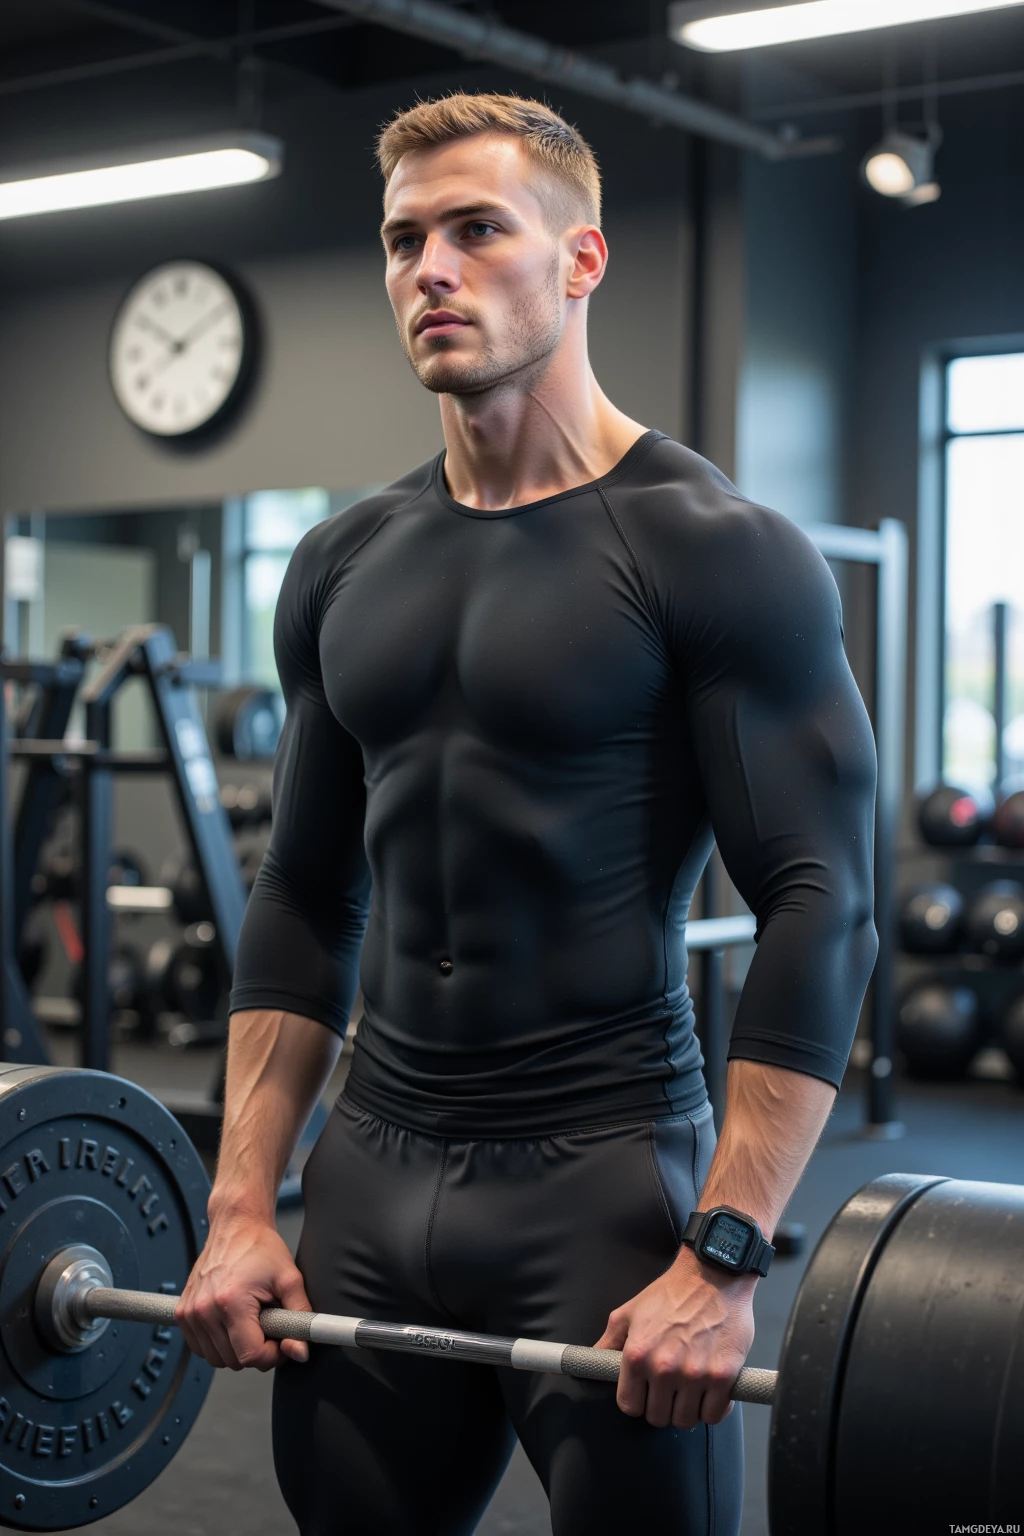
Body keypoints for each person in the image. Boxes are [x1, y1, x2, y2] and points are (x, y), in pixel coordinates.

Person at [177, 93, 878, 1536]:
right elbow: (305, 894)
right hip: (372, 1176)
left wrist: (727, 1256)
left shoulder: (717, 551)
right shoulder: (341, 562)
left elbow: (823, 894)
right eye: (402, 239)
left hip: (606, 1184)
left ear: (581, 260)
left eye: (476, 229)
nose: (428, 268)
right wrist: (244, 1201)